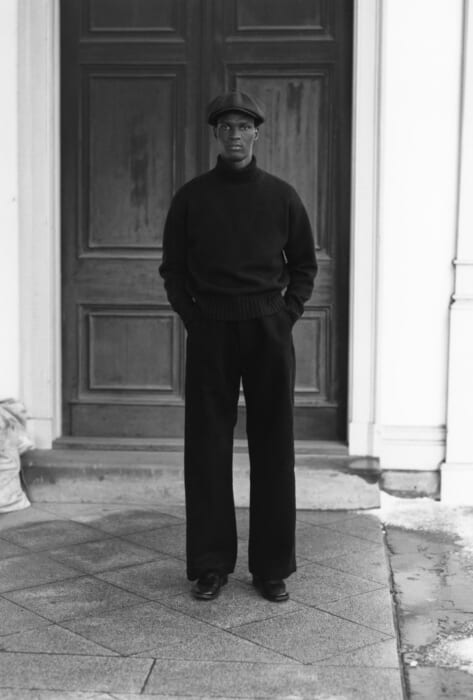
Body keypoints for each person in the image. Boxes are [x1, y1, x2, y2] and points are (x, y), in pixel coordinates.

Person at [159, 90, 317, 602]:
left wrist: (285, 314)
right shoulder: (191, 198)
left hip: (268, 330)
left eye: (243, 127)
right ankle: (210, 565)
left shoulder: (282, 196)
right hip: (211, 330)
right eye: (226, 127)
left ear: (256, 134)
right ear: (216, 134)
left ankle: (271, 567)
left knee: (274, 446)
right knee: (207, 447)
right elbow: (173, 269)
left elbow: (304, 266)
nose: (235, 135)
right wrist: (194, 318)